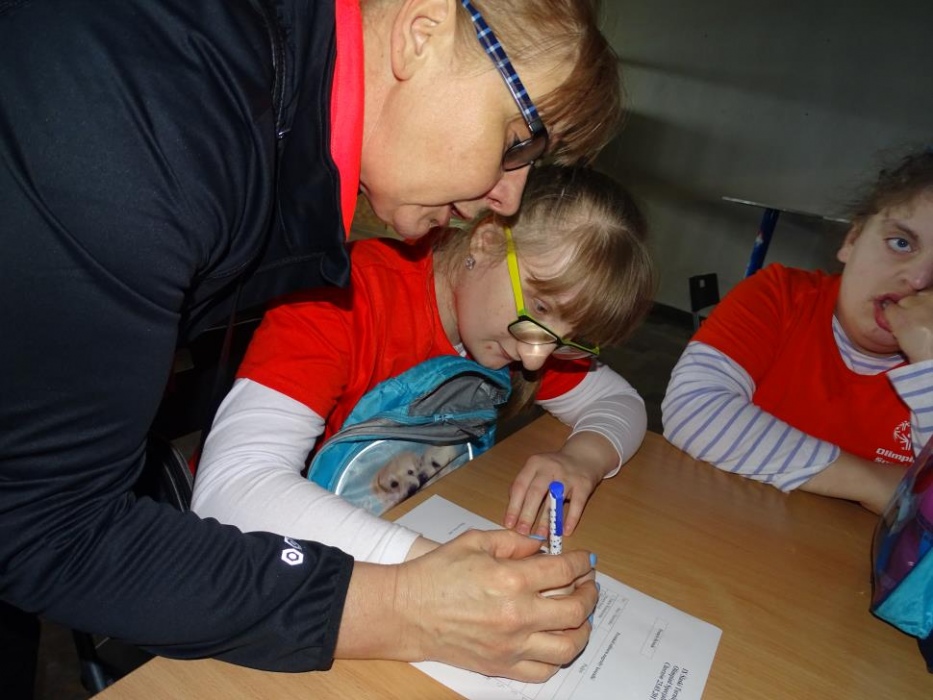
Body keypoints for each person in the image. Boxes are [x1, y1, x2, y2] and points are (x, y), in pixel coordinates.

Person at [0, 0, 625, 692]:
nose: (507, 200)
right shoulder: (149, 125)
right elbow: (49, 526)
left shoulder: (254, 111)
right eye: (514, 141)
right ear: (421, 32)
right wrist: (411, 604)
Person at [191, 165, 655, 563]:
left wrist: (582, 460)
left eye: (567, 339)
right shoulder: (342, 297)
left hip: (394, 532)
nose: (536, 357)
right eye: (539, 307)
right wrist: (436, 569)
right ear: (486, 242)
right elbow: (230, 492)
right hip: (259, 552)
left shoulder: (521, 334)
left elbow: (619, 401)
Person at [662, 149, 933, 514]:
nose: (918, 279)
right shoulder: (779, 296)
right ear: (852, 239)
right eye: (900, 243)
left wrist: (928, 366)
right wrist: (882, 486)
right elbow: (693, 411)